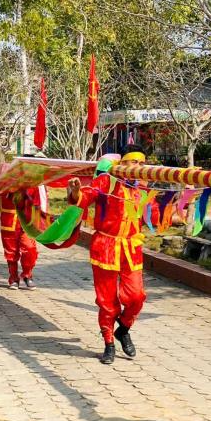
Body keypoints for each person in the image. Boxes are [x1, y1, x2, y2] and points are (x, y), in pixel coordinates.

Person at [66, 145, 147, 365]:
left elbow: (153, 215)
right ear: (122, 163)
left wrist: (182, 204)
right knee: (107, 300)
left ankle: (124, 329)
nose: (138, 167)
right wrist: (75, 191)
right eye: (133, 162)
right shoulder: (107, 181)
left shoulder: (142, 189)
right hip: (106, 246)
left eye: (142, 163)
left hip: (131, 248)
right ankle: (109, 342)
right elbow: (85, 197)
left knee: (136, 296)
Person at [0, 190, 39, 290]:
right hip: (9, 218)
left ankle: (27, 275)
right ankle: (13, 278)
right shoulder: (4, 180)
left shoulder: (32, 179)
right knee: (10, 250)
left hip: (27, 220)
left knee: (30, 248)